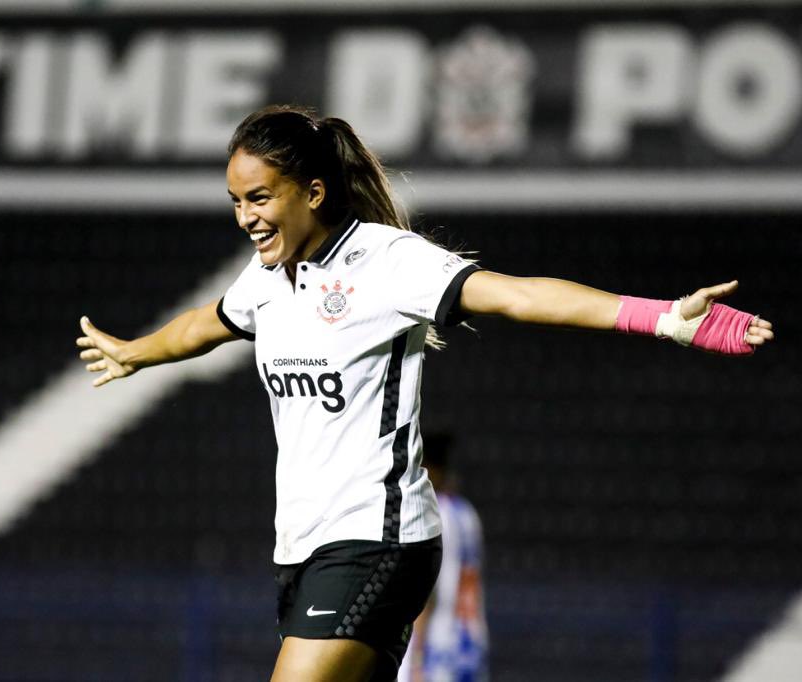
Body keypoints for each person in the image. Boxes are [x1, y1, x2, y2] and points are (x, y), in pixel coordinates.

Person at [75, 105, 774, 682]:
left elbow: (518, 295)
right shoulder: (267, 278)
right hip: (303, 550)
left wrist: (662, 318)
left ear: (312, 192)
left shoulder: (386, 262)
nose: (245, 217)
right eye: (234, 200)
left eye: (260, 197)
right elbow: (207, 323)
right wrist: (134, 353)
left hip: (378, 543)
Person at [398, 433, 488, 682]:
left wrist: (416, 660)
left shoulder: (430, 513)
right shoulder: (466, 514)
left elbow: (426, 593)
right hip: (468, 643)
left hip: (435, 651)